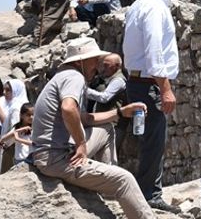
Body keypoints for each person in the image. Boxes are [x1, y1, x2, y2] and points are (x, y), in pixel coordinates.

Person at [30, 37, 151, 219]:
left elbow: (84, 119)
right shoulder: (75, 77)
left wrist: (120, 112)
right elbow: (68, 108)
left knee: (106, 129)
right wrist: (80, 144)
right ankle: (114, 186)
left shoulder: (63, 76)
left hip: (49, 153)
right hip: (56, 158)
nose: (98, 65)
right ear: (81, 61)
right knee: (124, 179)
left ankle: (106, 188)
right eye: (95, 60)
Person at [122, 0, 180, 213]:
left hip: (137, 81)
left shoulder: (139, 4)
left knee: (146, 139)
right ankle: (150, 195)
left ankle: (143, 191)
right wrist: (165, 88)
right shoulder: (155, 8)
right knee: (153, 139)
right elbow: (154, 50)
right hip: (149, 84)